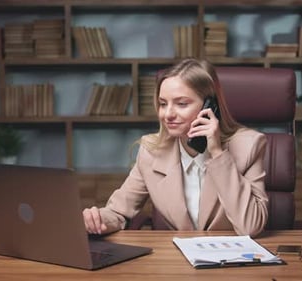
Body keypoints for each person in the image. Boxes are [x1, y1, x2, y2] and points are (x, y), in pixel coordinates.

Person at [83, 58, 269, 237]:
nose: (168, 114)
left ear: (210, 107)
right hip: (179, 261)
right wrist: (98, 220)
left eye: (181, 104)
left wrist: (217, 153)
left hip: (233, 262)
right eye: (163, 104)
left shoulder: (249, 147)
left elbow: (250, 226)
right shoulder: (152, 151)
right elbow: (118, 212)